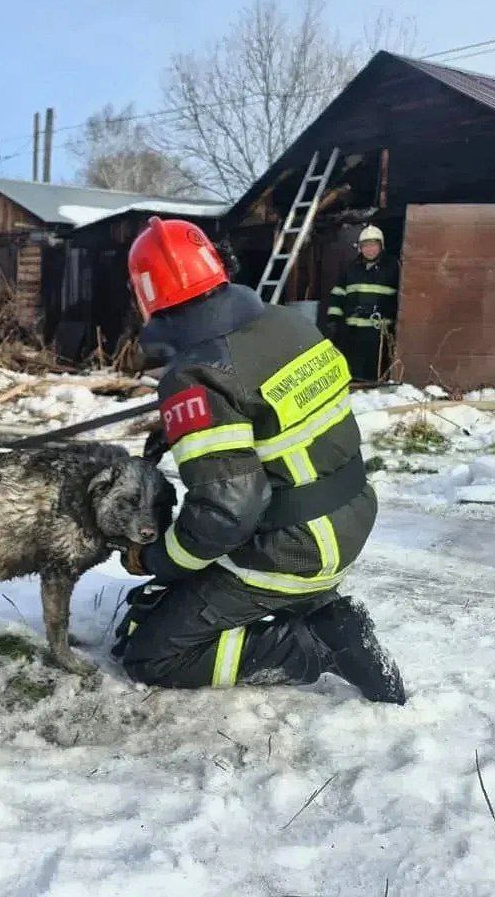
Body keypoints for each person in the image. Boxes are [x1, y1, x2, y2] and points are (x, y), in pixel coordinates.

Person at [112, 216, 405, 704]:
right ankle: (320, 611)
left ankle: (315, 648)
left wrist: (158, 560)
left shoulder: (197, 373)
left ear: (145, 296)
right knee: (182, 601)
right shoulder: (284, 321)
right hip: (348, 514)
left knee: (151, 654)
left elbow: (226, 513)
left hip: (297, 546)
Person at [327, 225, 400, 382]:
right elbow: (337, 294)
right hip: (352, 331)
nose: (370, 249)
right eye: (365, 246)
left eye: (373, 245)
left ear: (381, 246)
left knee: (374, 369)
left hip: (379, 331)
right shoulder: (351, 269)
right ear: (360, 248)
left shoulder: (393, 267)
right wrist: (333, 320)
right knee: (353, 369)